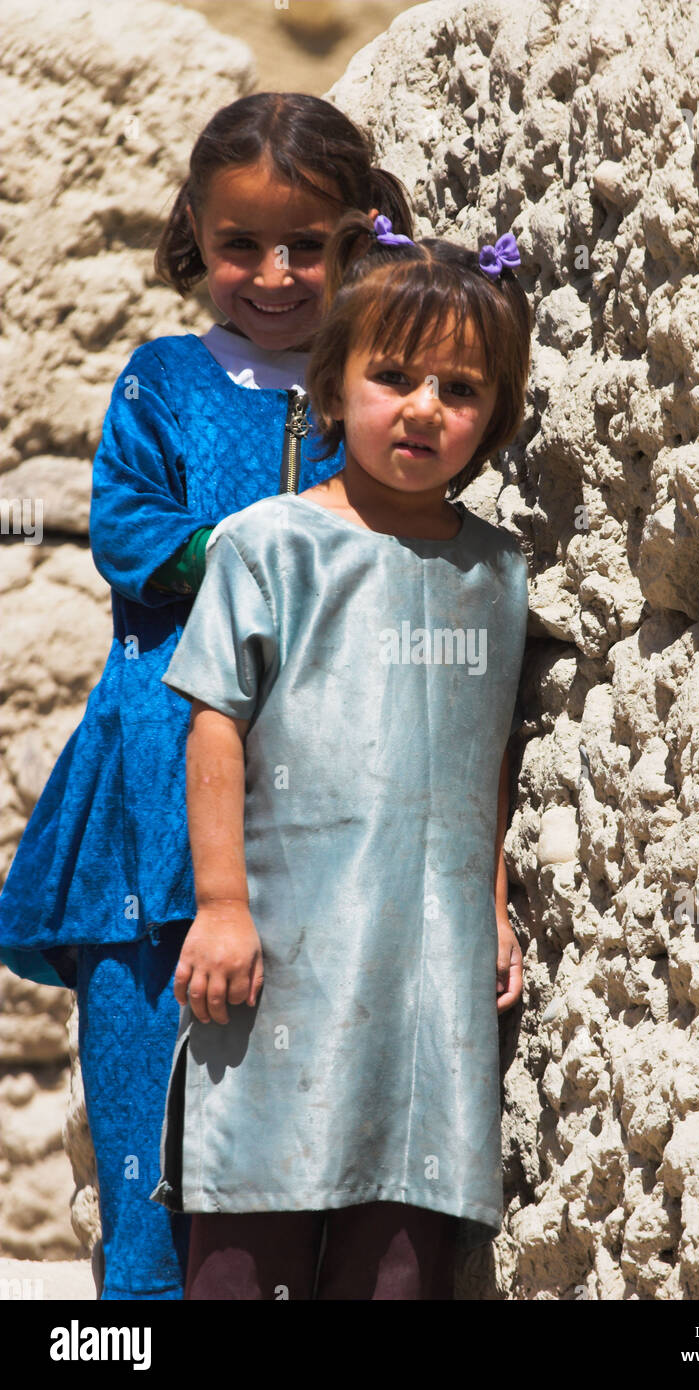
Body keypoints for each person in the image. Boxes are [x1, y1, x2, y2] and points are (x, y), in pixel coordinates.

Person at [0, 93, 413, 1300]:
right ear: (195, 234)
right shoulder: (163, 381)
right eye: (242, 245)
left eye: (307, 245)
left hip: (314, 803)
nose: (274, 275)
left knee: (287, 1135)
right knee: (145, 1126)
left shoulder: (373, 391)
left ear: (358, 237)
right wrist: (279, 539)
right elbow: (131, 538)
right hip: (152, 795)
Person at [149, 210, 532, 1300]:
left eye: (460, 390)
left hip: (427, 969)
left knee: (401, 1240)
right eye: (394, 376)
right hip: (278, 951)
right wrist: (221, 903)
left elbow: (483, 754)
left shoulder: (494, 573)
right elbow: (213, 718)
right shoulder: (270, 545)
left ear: (494, 417)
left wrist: (493, 900)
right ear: (331, 384)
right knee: (244, 1240)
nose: (423, 410)